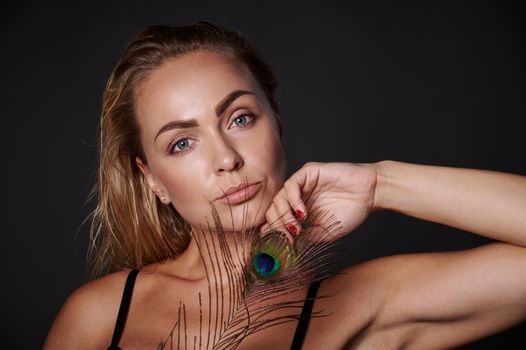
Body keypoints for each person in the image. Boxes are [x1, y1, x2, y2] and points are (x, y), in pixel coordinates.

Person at [44, 22, 526, 349]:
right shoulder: (99, 315)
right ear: (152, 179)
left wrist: (382, 184)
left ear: (277, 123)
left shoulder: (361, 304)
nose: (227, 159)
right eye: (182, 143)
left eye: (239, 118)